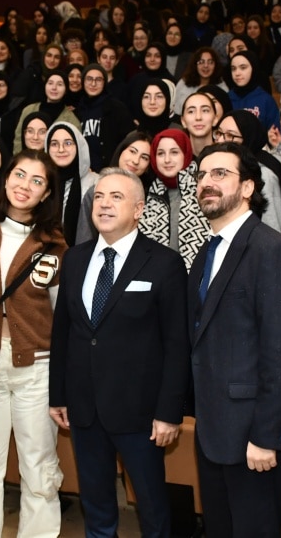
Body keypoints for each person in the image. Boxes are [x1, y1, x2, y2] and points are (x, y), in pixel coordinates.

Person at [48, 167, 190, 538]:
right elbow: (63, 332)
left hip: (141, 412)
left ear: (139, 209)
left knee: (152, 505)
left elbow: (177, 344)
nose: (105, 205)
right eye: (99, 197)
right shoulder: (75, 259)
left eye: (116, 197)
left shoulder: (164, 263)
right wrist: (58, 394)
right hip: (84, 407)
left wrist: (169, 412)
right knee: (95, 503)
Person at [189, 141, 281, 537]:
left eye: (220, 174)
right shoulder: (208, 251)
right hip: (213, 429)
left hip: (252, 436)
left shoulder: (271, 251)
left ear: (247, 188)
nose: (207, 182)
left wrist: (265, 436)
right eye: (202, 174)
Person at [0, 149, 66, 538]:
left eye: (37, 181)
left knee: (39, 465)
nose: (25, 186)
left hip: (36, 366)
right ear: (6, 179)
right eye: (20, 175)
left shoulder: (55, 245)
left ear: (46, 194)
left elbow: (61, 314)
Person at [139, 129, 211, 270]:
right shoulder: (148, 191)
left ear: (185, 153)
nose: (167, 160)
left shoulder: (204, 188)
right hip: (158, 278)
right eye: (160, 153)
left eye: (174, 152)